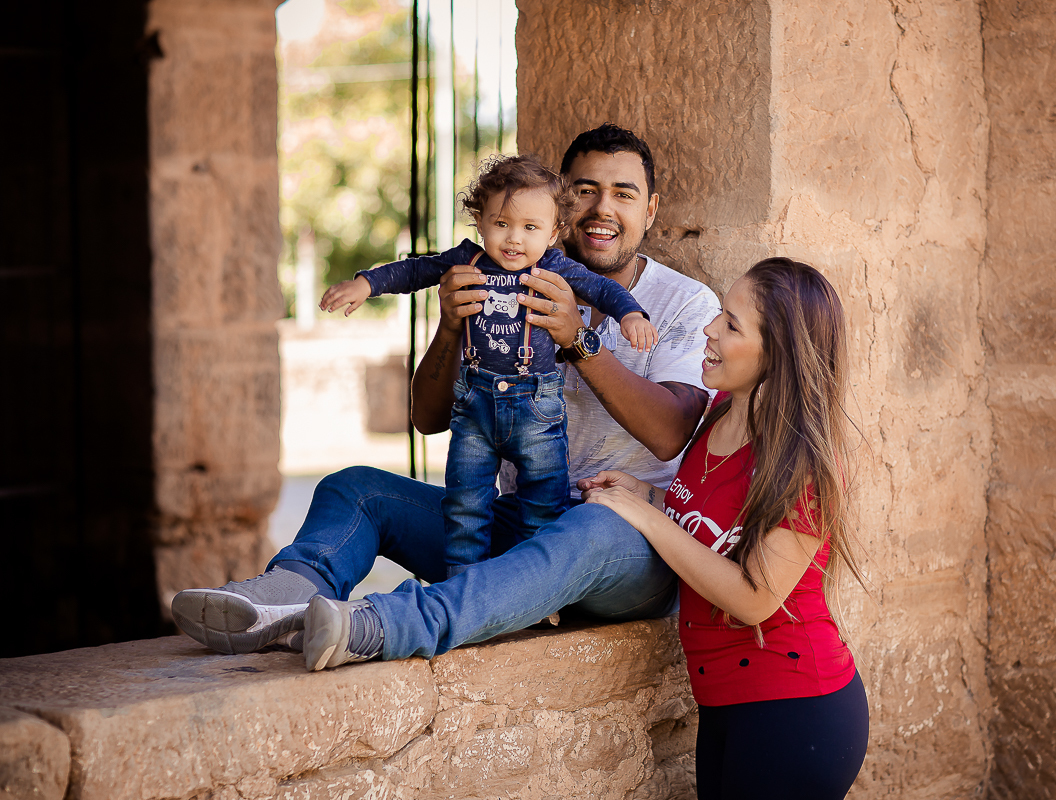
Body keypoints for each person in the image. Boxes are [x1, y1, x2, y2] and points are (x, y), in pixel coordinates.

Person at [170, 123, 721, 671]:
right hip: (515, 528)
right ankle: (284, 597)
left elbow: (670, 431)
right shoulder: (495, 269)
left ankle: (382, 625)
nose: (603, 208)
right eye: (585, 190)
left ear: (649, 210)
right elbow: (428, 418)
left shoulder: (683, 302)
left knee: (592, 526)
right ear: (562, 205)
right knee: (355, 488)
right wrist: (452, 328)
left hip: (624, 543)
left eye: (623, 194)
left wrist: (577, 339)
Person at [581, 257, 870, 799]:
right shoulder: (717, 411)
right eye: (719, 314)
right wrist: (650, 494)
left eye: (732, 324)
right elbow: (717, 520)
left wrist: (643, 515)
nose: (709, 330)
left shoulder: (804, 464)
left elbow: (756, 597)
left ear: (776, 354)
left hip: (794, 709)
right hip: (724, 704)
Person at [317, 154, 656, 578]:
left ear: (554, 232)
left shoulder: (554, 266)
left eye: (530, 228)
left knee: (544, 499)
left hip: (537, 408)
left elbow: (602, 289)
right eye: (501, 224)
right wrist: (367, 283)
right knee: (465, 502)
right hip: (474, 405)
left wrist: (631, 314)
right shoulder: (469, 262)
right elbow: (415, 269)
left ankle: (540, 587)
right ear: (480, 221)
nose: (514, 239)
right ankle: (463, 583)